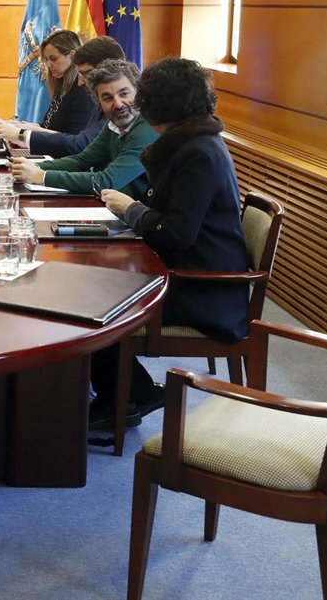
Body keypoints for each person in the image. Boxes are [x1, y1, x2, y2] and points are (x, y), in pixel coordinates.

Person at [95, 58, 250, 430]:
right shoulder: (191, 142)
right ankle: (128, 392)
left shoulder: (198, 153)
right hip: (186, 271)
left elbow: (175, 233)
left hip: (203, 289)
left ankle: (127, 397)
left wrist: (131, 209)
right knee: (93, 283)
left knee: (93, 303)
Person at [10, 58, 156, 198]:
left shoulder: (148, 127)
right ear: (98, 103)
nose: (118, 104)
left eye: (124, 94)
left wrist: (41, 176)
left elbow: (106, 181)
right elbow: (82, 161)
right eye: (107, 98)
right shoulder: (114, 122)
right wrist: (32, 166)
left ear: (138, 91)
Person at [0, 35, 124, 158]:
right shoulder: (71, 90)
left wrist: (22, 135)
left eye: (53, 58)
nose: (80, 82)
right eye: (46, 60)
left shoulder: (100, 101)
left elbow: (78, 144)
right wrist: (26, 128)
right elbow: (81, 158)